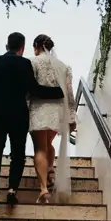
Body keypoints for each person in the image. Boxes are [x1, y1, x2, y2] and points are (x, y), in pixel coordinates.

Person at [0, 31, 64, 219]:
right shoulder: (24, 64)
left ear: (7, 46)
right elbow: (34, 90)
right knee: (17, 154)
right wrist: (59, 92)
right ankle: (12, 190)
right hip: (18, 116)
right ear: (22, 48)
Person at [29, 34, 77, 204]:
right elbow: (69, 93)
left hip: (39, 109)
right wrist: (72, 116)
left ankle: (43, 189)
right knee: (49, 143)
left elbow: (29, 89)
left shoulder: (32, 62)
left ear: (37, 46)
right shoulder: (63, 66)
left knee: (40, 148)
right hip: (58, 111)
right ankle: (50, 170)